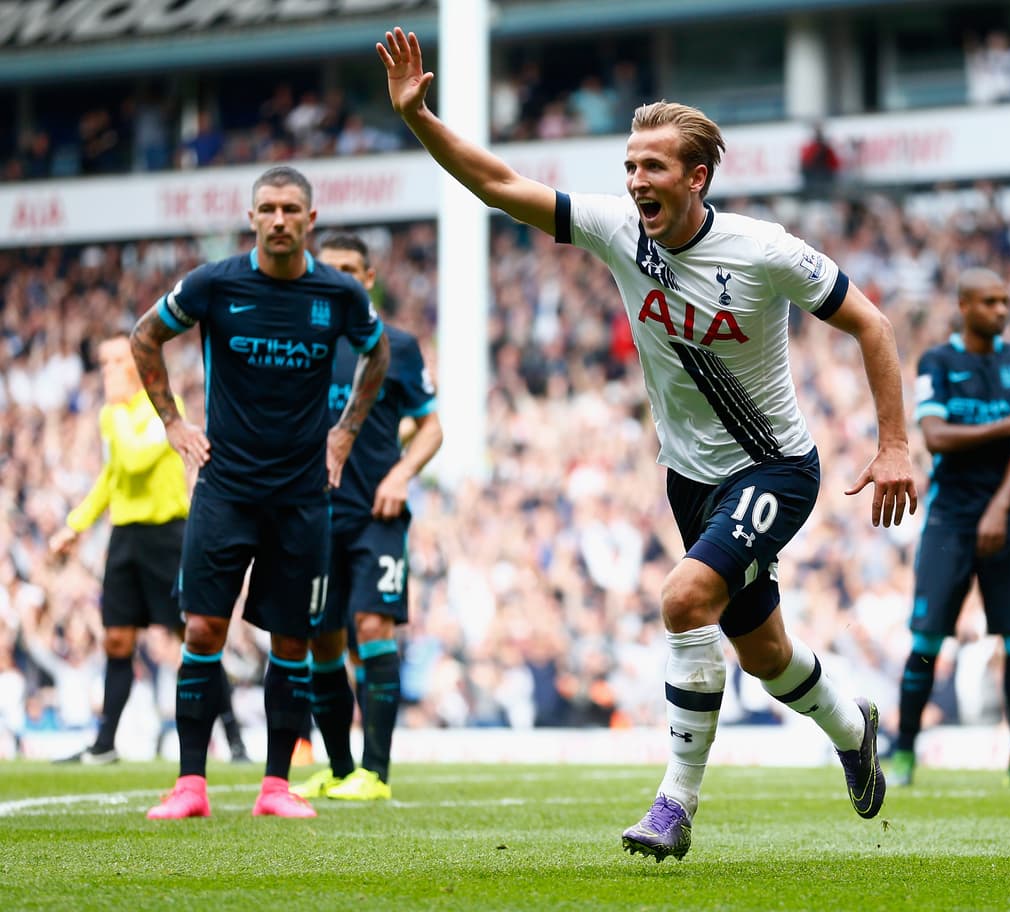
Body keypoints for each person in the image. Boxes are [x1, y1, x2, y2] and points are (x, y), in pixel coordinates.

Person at [378, 27, 917, 862]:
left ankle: (675, 804)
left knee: (682, 600)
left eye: (652, 168)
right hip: (688, 479)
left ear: (696, 177)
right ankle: (854, 730)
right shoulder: (617, 230)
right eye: (630, 167)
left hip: (774, 468)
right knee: (766, 654)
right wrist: (421, 119)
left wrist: (893, 444)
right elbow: (495, 183)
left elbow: (872, 324)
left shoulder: (764, 250)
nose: (635, 182)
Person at [129, 165, 390, 819]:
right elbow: (145, 336)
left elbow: (377, 352)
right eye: (268, 208)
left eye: (290, 209)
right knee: (203, 626)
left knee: (293, 639)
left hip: (303, 495)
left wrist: (345, 434)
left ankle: (276, 785)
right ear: (252, 218)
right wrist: (172, 421)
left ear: (310, 220)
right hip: (227, 488)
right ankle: (191, 784)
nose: (279, 219)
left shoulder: (337, 294)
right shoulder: (216, 284)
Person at [290, 232, 443, 802]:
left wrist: (402, 474)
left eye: (352, 269)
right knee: (323, 642)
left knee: (373, 628)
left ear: (369, 277)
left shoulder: (397, 346)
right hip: (313, 516)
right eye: (331, 270)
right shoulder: (300, 344)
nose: (343, 278)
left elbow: (432, 426)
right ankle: (338, 766)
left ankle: (375, 775)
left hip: (377, 513)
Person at [886, 268, 1010, 788]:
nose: (1001, 311)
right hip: (948, 518)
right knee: (927, 640)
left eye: (1005, 302)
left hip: (1006, 513)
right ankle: (906, 755)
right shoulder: (938, 362)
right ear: (964, 305)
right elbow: (936, 437)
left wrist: (1001, 505)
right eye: (990, 302)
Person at [49, 335, 248, 765]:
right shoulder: (112, 416)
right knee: (117, 639)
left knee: (196, 635)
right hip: (125, 537)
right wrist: (75, 526)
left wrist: (116, 412)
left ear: (139, 366)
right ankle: (104, 745)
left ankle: (235, 741)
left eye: (118, 360)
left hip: (166, 537)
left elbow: (137, 458)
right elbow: (112, 477)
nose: (109, 370)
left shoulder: (162, 407)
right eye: (104, 362)